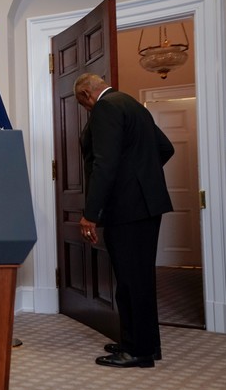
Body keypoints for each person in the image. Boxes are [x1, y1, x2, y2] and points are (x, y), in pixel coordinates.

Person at [74, 73, 174, 369]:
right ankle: (145, 343)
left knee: (131, 281)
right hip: (147, 206)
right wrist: (141, 175)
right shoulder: (133, 105)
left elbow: (105, 163)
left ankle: (137, 351)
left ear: (84, 96)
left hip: (127, 209)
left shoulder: (105, 108)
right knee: (139, 278)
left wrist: (90, 214)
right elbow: (165, 148)